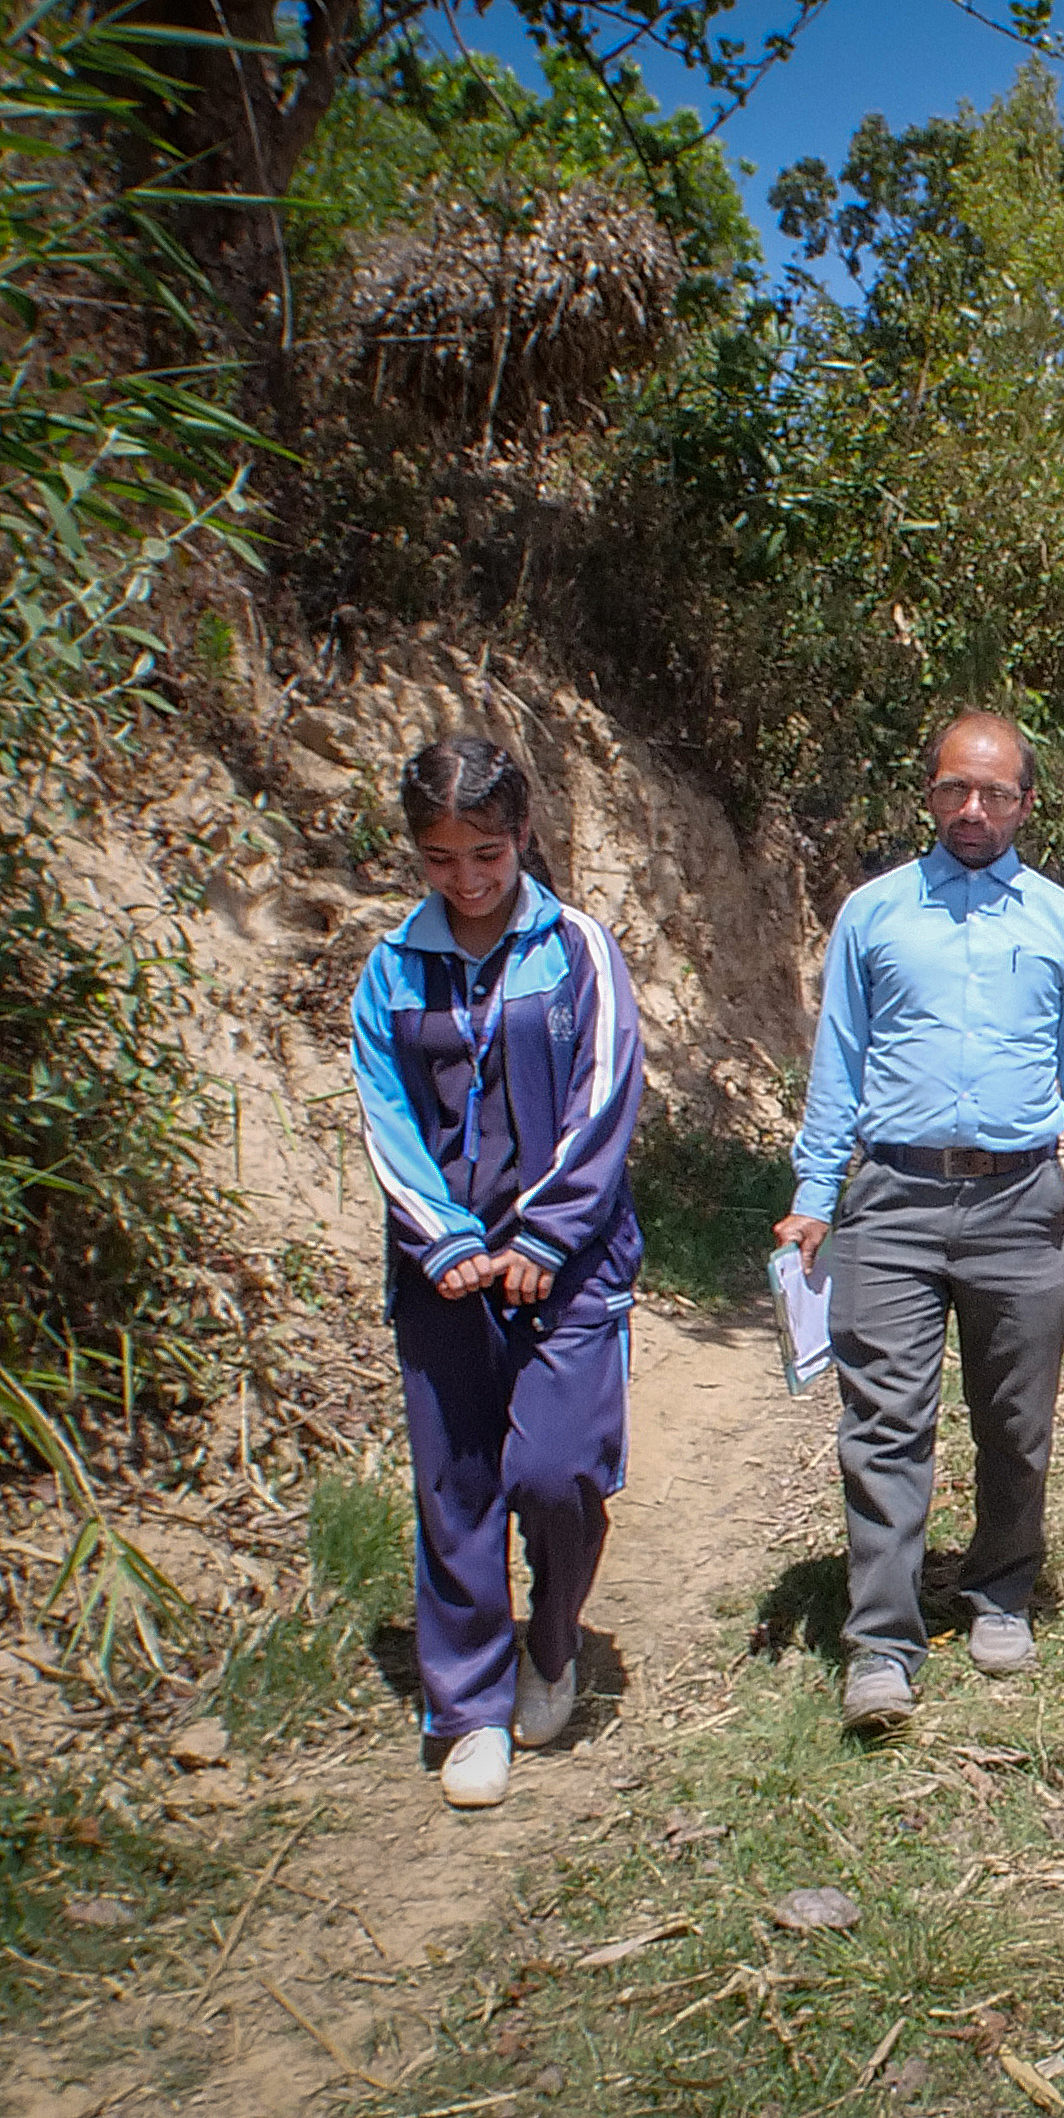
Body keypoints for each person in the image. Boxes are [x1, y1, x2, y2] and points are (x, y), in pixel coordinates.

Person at [774, 712, 1064, 1733]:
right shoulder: (874, 914)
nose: (972, 812)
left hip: (1022, 1201)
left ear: (1027, 802)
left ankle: (1000, 1590)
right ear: (927, 794)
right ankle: (881, 1641)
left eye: (995, 794)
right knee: (884, 1422)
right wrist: (812, 1194)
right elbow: (838, 1061)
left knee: (1017, 1417)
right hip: (890, 1197)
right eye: (953, 791)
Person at [352, 736, 645, 1810]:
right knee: (457, 1485)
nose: (468, 880)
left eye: (486, 852)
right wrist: (452, 1242)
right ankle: (468, 1706)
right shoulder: (391, 968)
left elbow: (605, 1100)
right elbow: (387, 1119)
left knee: (557, 1473)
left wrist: (542, 1239)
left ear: (522, 836)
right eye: (441, 859)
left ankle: (554, 1644)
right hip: (443, 1273)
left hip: (566, 1267)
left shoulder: (577, 951)